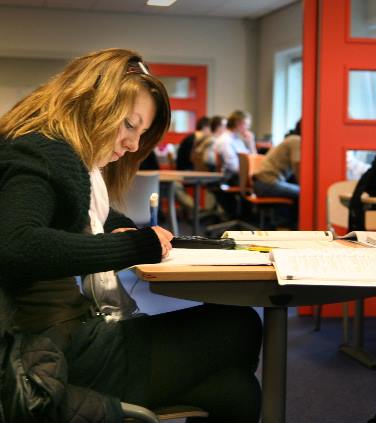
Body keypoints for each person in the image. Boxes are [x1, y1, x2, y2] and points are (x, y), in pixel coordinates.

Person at [0, 48, 262, 422]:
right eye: (128, 125)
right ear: (91, 103)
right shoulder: (41, 151)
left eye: (140, 133)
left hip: (56, 339)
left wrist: (124, 230)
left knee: (236, 391)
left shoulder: (60, 153)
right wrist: (130, 245)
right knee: (239, 325)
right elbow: (16, 245)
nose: (133, 146)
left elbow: (85, 211)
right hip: (42, 356)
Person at [253, 119, 301, 199]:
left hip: (261, 183)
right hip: (267, 183)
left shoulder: (291, 139)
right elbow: (298, 168)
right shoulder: (297, 141)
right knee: (305, 193)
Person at [214, 110, 257, 185]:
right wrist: (252, 172)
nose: (248, 127)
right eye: (246, 124)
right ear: (238, 123)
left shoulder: (237, 139)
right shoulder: (225, 140)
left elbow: (253, 160)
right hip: (231, 178)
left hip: (239, 175)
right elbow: (233, 167)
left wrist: (251, 144)